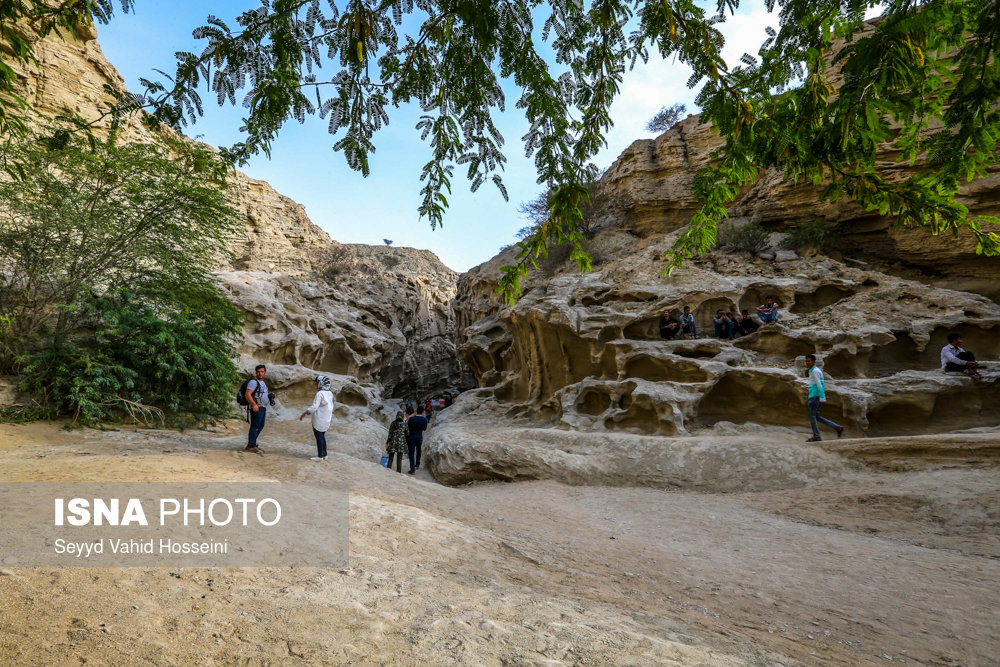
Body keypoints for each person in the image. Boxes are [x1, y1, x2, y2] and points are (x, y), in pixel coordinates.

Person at [804, 354, 844, 442]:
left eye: (809, 361)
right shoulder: (813, 371)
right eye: (806, 361)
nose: (807, 363)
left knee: (812, 417)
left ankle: (816, 436)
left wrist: (822, 398)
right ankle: (837, 427)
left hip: (815, 397)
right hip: (815, 396)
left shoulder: (815, 371)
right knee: (816, 417)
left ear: (814, 362)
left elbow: (819, 385)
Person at [299, 375, 334, 461]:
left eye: (317, 383)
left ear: (321, 383)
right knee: (322, 436)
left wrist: (305, 413)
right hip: (327, 418)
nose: (316, 385)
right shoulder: (329, 393)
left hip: (319, 419)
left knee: (319, 437)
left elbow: (314, 407)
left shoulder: (320, 393)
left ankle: (320, 456)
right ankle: (324, 454)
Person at [244, 364, 271, 454]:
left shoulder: (262, 382)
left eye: (262, 372)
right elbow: (247, 394)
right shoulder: (253, 382)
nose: (260, 373)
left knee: (260, 426)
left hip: (262, 407)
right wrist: (254, 405)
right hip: (257, 407)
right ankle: (251, 445)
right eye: (259, 372)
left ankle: (252, 444)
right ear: (256, 372)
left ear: (265, 373)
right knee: (255, 426)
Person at [406, 405, 429, 474]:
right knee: (419, 450)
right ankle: (417, 464)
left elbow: (408, 427)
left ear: (416, 410)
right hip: (419, 436)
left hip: (412, 436)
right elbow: (424, 429)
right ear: (423, 411)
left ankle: (412, 469)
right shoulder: (425, 419)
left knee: (411, 452)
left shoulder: (412, 419)